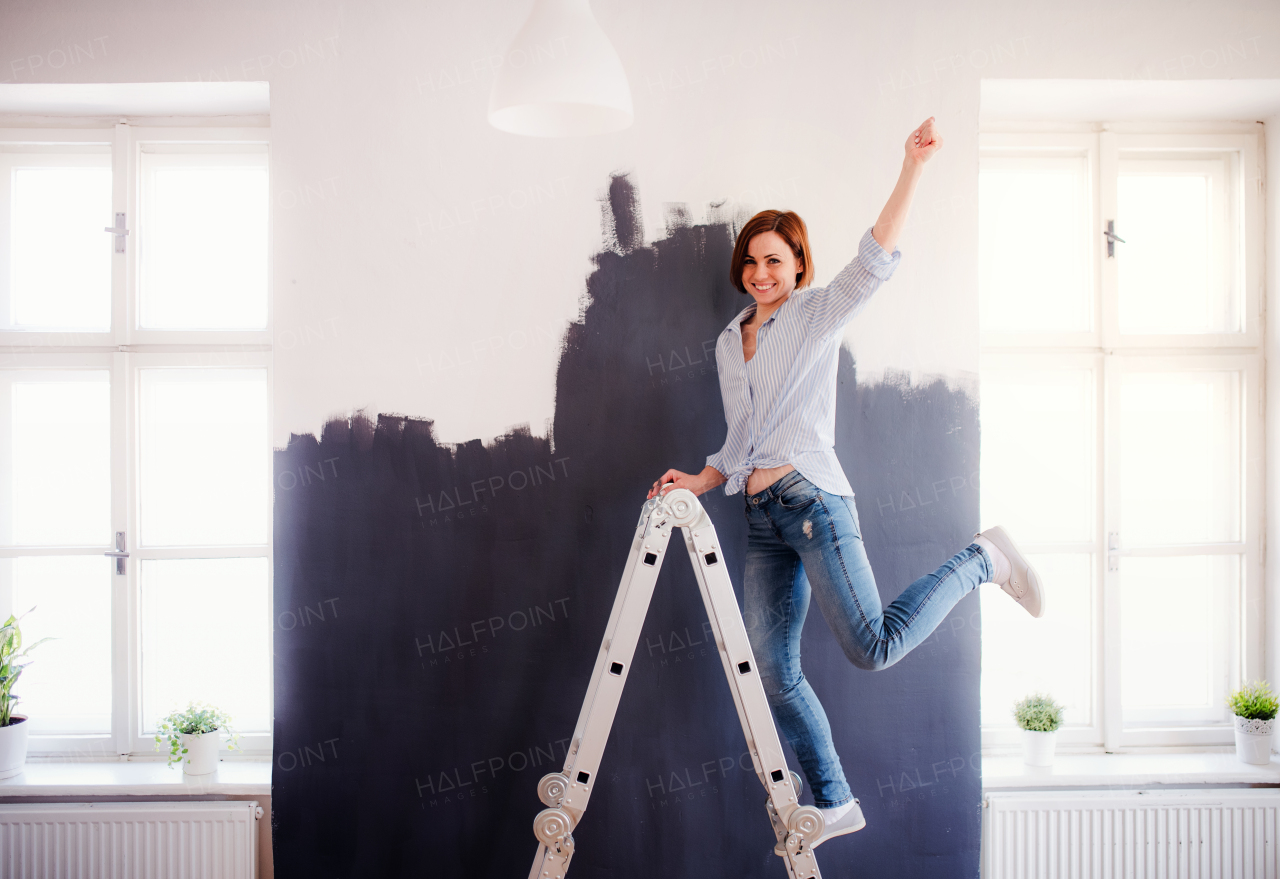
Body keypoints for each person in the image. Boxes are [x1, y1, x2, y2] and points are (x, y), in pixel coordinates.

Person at [646, 117, 1044, 852]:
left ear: (798, 265)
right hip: (761, 516)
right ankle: (833, 798)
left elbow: (876, 258)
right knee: (773, 671)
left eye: (774, 261)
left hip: (814, 503)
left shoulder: (816, 313)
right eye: (751, 263)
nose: (760, 274)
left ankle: (983, 558)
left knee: (872, 647)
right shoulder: (729, 340)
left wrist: (912, 167)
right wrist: (701, 478)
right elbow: (740, 438)